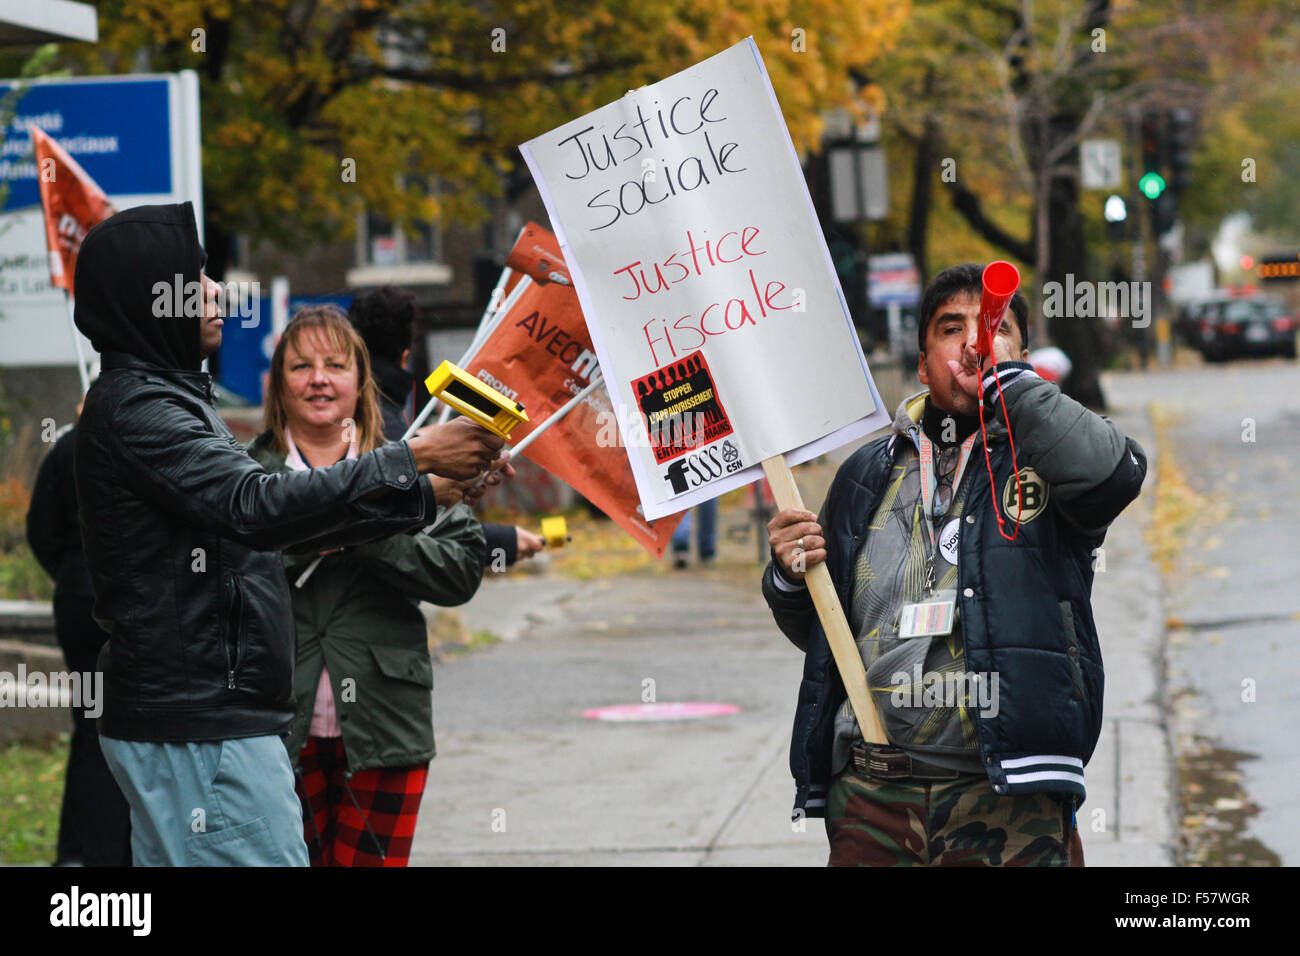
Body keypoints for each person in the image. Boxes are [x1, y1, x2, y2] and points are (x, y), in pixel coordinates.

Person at [72, 202, 509, 866]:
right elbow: (260, 505)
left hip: (204, 723)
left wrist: (422, 491)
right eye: (197, 279)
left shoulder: (163, 398)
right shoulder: (144, 410)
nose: (219, 293)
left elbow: (267, 518)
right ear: (151, 300)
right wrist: (414, 461)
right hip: (204, 729)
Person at [762, 263, 1147, 867]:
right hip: (871, 798)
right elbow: (824, 635)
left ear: (1023, 354)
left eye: (995, 327)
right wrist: (789, 573)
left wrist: (1008, 385)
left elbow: (1116, 472)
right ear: (922, 364)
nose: (974, 340)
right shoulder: (866, 474)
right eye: (952, 328)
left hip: (1010, 797)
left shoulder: (1049, 458)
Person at [245, 305, 485, 866]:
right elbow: (225, 562)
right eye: (301, 366)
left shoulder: (412, 467)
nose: (320, 378)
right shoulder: (245, 475)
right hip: (274, 726)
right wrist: (346, 517)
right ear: (280, 382)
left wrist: (367, 530)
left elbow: (461, 569)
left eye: (335, 364)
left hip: (385, 721)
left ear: (360, 380)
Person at [347, 286, 544, 566]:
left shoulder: (366, 416)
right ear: (406, 355)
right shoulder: (378, 418)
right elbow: (387, 532)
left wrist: (436, 470)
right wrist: (499, 542)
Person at [25, 407, 132, 867]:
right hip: (125, 604)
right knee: (124, 731)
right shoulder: (145, 440)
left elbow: (40, 531)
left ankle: (76, 853)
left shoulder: (66, 447)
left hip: (77, 603)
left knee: (90, 727)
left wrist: (71, 576)